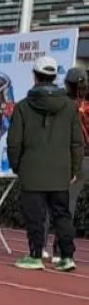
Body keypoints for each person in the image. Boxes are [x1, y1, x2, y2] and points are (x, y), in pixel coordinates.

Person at [6, 55, 82, 272]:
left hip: (31, 170)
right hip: (60, 171)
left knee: (35, 217)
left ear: (35, 77)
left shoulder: (22, 107)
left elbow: (14, 142)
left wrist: (17, 166)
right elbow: (77, 141)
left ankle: (35, 255)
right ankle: (67, 256)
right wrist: (74, 169)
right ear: (54, 76)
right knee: (62, 214)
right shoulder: (69, 107)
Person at [43, 66, 89, 263]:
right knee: (68, 206)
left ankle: (41, 247)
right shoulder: (85, 106)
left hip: (63, 158)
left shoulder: (61, 106)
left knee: (47, 202)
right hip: (85, 160)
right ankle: (60, 250)